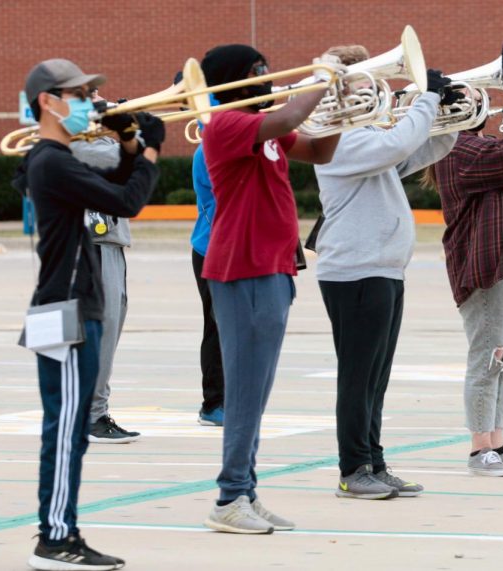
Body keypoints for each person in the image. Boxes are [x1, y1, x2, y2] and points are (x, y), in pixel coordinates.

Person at [13, 58, 162, 570]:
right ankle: (55, 538)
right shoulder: (52, 160)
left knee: (70, 429)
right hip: (69, 309)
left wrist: (126, 147)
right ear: (47, 103)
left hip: (68, 306)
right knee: (67, 430)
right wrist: (148, 153)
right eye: (75, 95)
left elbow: (111, 185)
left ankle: (63, 532)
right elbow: (126, 200)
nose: (85, 103)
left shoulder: (55, 157)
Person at [200, 44, 341, 533]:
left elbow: (321, 151)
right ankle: (229, 497)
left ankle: (245, 489)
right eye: (260, 71)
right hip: (242, 267)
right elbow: (291, 115)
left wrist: (343, 109)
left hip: (272, 268)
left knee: (256, 391)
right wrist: (326, 74)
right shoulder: (226, 124)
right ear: (236, 80)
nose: (271, 76)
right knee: (243, 391)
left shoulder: (268, 129)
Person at [313, 44, 458, 499]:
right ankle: (352, 469)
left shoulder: (366, 137)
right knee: (358, 377)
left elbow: (416, 151)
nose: (370, 90)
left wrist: (452, 120)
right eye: (358, 82)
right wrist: (427, 101)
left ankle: (372, 462)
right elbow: (396, 143)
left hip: (383, 268)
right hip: (354, 269)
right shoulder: (334, 137)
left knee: (376, 376)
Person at [426, 84, 503, 476]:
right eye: (474, 99)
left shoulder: (488, 148)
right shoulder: (457, 149)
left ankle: (497, 441)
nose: (485, 103)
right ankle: (479, 448)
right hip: (487, 259)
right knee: (489, 356)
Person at [71, 89, 141, 444]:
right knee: (101, 329)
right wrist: (124, 125)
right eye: (92, 98)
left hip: (106, 246)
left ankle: (88, 411)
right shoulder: (77, 142)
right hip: (93, 247)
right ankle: (91, 416)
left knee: (106, 329)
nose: (103, 100)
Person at [190, 119, 225, 426]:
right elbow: (221, 205)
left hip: (229, 248)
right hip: (213, 248)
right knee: (218, 328)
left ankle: (229, 401)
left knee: (236, 329)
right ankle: (213, 404)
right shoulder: (208, 151)